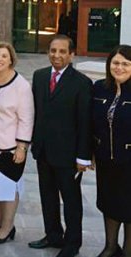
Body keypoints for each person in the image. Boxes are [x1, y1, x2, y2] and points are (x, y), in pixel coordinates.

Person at [28, 34, 93, 257]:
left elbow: (85, 122)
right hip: (43, 151)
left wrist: (83, 157)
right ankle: (53, 235)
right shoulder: (39, 76)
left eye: (62, 51)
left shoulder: (82, 83)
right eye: (53, 51)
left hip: (69, 155)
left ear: (71, 54)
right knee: (47, 196)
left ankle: (72, 244)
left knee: (71, 201)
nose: (56, 55)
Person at [0, 42, 34, 244]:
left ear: (11, 59)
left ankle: (8, 226)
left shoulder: (21, 85)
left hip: (9, 146)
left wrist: (22, 146)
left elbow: (27, 118)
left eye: (4, 56)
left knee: (8, 186)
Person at [92, 45, 131, 257]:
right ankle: (110, 246)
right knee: (109, 202)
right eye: (115, 63)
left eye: (125, 63)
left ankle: (127, 250)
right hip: (106, 160)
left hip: (129, 162)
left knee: (129, 208)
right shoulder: (99, 88)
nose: (119, 67)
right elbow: (91, 124)